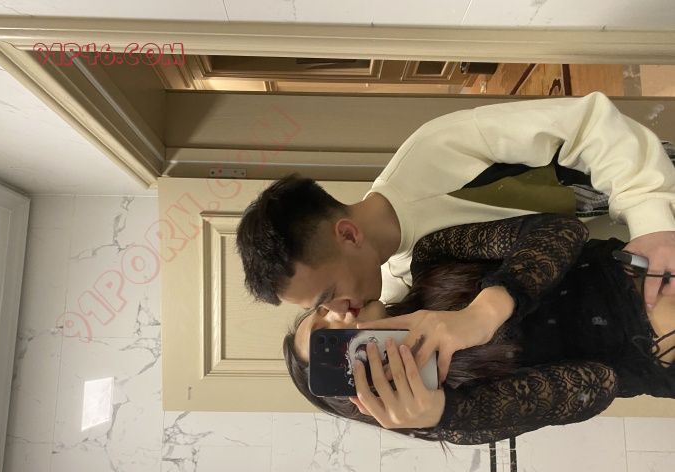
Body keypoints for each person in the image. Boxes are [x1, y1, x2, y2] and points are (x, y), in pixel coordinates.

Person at [237, 92, 675, 382]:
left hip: (659, 207)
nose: (340, 313)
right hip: (643, 301)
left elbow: (588, 125)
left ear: (348, 234)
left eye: (328, 296)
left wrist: (651, 221)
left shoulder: (435, 152)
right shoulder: (399, 291)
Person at [282, 213, 675, 445]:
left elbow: (562, 230)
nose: (337, 316)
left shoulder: (432, 258)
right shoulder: (457, 414)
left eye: (321, 315)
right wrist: (444, 414)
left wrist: (485, 312)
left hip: (661, 265)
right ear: (358, 388)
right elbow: (598, 383)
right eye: (328, 342)